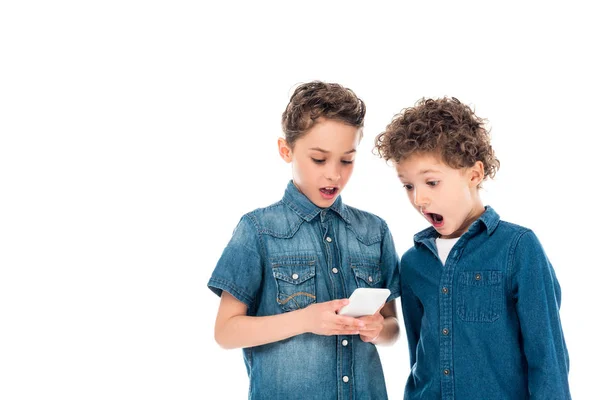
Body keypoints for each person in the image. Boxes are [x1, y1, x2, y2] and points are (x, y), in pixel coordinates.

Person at [208, 81, 401, 399]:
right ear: (286, 150)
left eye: (347, 160)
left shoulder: (374, 231)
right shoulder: (258, 230)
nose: (334, 175)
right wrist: (305, 320)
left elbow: (392, 327)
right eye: (319, 159)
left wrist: (378, 329)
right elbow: (226, 332)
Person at [374, 97, 571, 399]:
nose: (418, 199)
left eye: (432, 182)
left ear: (474, 174)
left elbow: (548, 359)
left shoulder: (518, 248)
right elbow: (418, 357)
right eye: (408, 185)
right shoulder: (413, 263)